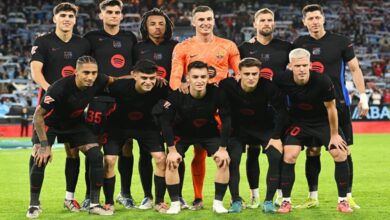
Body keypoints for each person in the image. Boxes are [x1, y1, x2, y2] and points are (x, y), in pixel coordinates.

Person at [293, 4, 368, 209]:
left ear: (323, 18)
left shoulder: (341, 42)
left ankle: (348, 196)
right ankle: (312, 197)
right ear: (304, 21)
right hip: (311, 107)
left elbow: (354, 68)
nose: (315, 21)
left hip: (339, 104)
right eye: (311, 18)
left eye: (318, 17)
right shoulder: (299, 44)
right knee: (312, 150)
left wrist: (363, 97)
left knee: (344, 150)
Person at [27, 56, 122, 218]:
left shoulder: (99, 80)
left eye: (94, 73)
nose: (90, 77)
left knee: (96, 155)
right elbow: (38, 116)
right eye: (86, 73)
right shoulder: (59, 88)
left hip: (75, 123)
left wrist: (136, 77)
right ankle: (34, 205)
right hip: (50, 123)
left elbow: (116, 80)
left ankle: (94, 204)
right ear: (76, 72)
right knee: (40, 157)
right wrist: (43, 144)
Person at [170, 5, 240, 209]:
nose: (205, 23)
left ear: (214, 20)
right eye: (200, 19)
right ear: (193, 22)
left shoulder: (228, 46)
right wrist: (181, 93)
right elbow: (175, 79)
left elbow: (241, 74)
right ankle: (197, 197)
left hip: (221, 108)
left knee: (229, 153)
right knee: (197, 153)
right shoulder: (182, 48)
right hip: (192, 108)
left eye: (209, 18)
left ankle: (234, 197)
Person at [274, 48, 352, 213]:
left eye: (304, 65)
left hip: (323, 122)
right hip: (298, 122)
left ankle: (343, 201)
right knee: (289, 154)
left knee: (340, 153)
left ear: (310, 65)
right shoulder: (282, 79)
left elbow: (331, 109)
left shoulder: (323, 81)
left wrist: (334, 135)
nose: (301, 69)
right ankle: (286, 201)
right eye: (297, 66)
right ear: (290, 67)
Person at [30, 2, 90, 212]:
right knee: (39, 152)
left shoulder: (83, 44)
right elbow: (36, 71)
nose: (66, 19)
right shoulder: (43, 41)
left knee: (73, 152)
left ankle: (69, 198)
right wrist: (50, 91)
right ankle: (34, 204)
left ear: (75, 20)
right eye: (62, 15)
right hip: (49, 108)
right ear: (54, 18)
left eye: (70, 16)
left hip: (74, 110)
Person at [155, 61, 231, 214]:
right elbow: (165, 122)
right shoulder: (177, 95)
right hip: (182, 133)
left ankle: (218, 203)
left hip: (208, 133)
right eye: (195, 77)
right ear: (187, 78)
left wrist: (223, 148)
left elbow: (227, 119)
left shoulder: (217, 94)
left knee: (223, 159)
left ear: (208, 77)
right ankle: (175, 204)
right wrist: (171, 149)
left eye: (203, 76)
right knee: (172, 161)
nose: (200, 80)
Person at [83, 0, 138, 210]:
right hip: (97, 100)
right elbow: (84, 67)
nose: (114, 15)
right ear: (101, 15)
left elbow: (135, 71)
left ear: (122, 16)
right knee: (93, 148)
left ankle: (125, 193)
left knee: (127, 146)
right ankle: (90, 194)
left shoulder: (129, 38)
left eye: (117, 12)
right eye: (109, 12)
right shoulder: (91, 38)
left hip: (123, 100)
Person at [238, 8, 292, 207]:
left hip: (279, 109)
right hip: (252, 110)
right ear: (255, 24)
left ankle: (278, 195)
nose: (266, 23)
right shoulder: (244, 48)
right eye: (262, 20)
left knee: (278, 152)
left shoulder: (286, 47)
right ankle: (255, 196)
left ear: (274, 23)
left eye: (270, 20)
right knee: (252, 153)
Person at [219, 57, 288, 213]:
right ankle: (236, 200)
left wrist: (276, 137)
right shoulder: (227, 86)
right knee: (233, 158)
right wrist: (223, 145)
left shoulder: (268, 87)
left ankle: (269, 201)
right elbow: (225, 116)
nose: (251, 78)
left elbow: (282, 112)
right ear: (239, 74)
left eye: (254, 74)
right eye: (247, 74)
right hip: (238, 129)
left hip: (263, 128)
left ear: (259, 74)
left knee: (275, 156)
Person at [102, 59, 169, 213]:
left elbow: (173, 99)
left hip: (146, 127)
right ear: (134, 75)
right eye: (144, 78)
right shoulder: (118, 87)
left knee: (160, 158)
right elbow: (97, 93)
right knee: (109, 160)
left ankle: (159, 202)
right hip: (118, 127)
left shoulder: (160, 87)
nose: (148, 82)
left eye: (152, 78)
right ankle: (109, 202)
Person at [132, 8, 178, 209]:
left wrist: (174, 99)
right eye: (153, 23)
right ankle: (148, 196)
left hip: (170, 105)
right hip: (145, 106)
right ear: (145, 27)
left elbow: (182, 75)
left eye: (161, 23)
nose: (157, 27)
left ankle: (175, 195)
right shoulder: (138, 48)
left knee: (175, 152)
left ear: (167, 26)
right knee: (145, 153)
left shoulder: (176, 47)